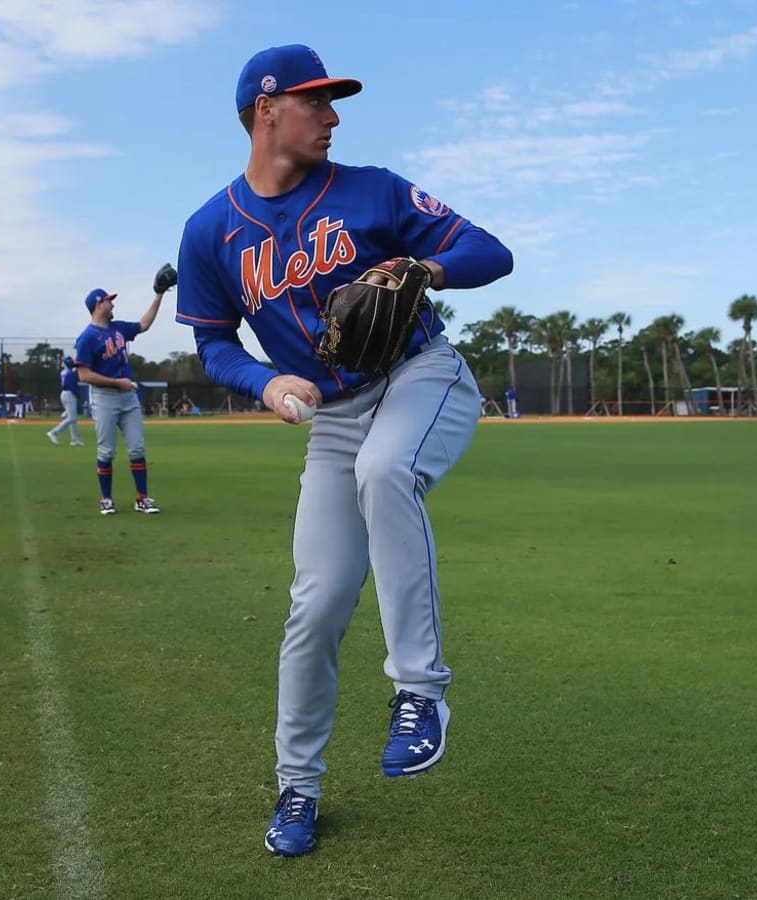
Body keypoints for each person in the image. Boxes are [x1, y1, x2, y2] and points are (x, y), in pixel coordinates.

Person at [175, 43, 513, 858]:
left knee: (386, 470)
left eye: (334, 103)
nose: (332, 116)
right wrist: (263, 384)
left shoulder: (372, 189)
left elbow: (490, 251)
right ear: (266, 109)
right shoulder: (210, 231)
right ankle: (297, 788)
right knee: (316, 606)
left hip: (419, 376)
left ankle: (420, 694)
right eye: (315, 101)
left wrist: (422, 266)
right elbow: (214, 344)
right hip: (330, 415)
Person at [73, 280, 167, 514]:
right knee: (106, 451)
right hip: (105, 397)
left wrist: (159, 294)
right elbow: (83, 374)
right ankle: (106, 499)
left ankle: (142, 498)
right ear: (97, 305)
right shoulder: (87, 338)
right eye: (107, 300)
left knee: (137, 449)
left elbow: (144, 324)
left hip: (128, 397)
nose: (112, 303)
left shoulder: (119, 329)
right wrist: (117, 382)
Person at [47, 356, 85, 446]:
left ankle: (74, 440)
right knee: (72, 418)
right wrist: (79, 396)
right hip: (69, 394)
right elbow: (73, 386)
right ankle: (54, 432)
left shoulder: (63, 372)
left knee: (73, 418)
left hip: (64, 394)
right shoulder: (71, 373)